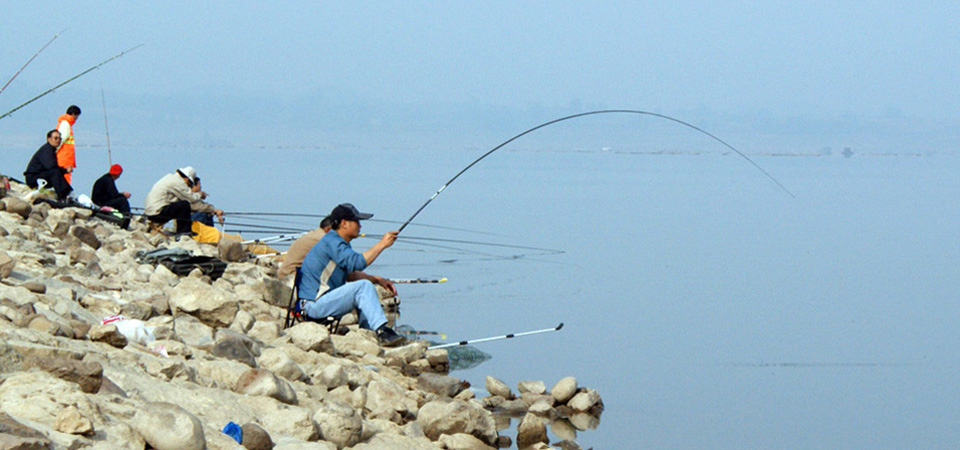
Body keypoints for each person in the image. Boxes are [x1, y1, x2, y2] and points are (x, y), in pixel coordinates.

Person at [298, 203, 406, 346]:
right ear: (344, 223)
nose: (360, 226)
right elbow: (357, 263)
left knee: (364, 286)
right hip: (314, 305)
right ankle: (381, 331)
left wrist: (377, 279)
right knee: (363, 287)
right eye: (356, 222)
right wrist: (382, 244)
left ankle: (368, 333)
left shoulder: (338, 243)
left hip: (321, 302)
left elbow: (351, 275)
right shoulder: (332, 242)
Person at [143, 166, 223, 235]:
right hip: (157, 213)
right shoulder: (178, 182)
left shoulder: (171, 178)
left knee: (182, 205)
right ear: (187, 180)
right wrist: (200, 195)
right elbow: (191, 199)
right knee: (184, 205)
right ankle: (183, 232)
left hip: (152, 212)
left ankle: (184, 231)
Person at [23, 130, 73, 201]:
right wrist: (65, 170)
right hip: (33, 178)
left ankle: (67, 193)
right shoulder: (46, 150)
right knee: (54, 172)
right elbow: (51, 167)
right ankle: (64, 195)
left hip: (40, 176)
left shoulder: (50, 149)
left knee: (56, 172)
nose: (58, 140)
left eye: (60, 139)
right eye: (55, 138)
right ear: (49, 139)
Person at [56, 105, 81, 184]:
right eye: (77, 116)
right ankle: (63, 194)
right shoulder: (65, 124)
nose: (76, 118)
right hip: (64, 158)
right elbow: (60, 140)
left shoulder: (65, 124)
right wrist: (54, 152)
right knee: (64, 178)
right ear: (73, 114)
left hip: (64, 157)